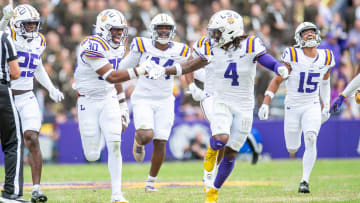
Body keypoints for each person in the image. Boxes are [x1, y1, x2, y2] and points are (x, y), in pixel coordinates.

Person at [150, 10, 289, 203]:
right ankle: (208, 168)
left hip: (244, 105)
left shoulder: (250, 44)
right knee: (220, 138)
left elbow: (264, 58)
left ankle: (214, 191)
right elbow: (190, 65)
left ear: (231, 32)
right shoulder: (210, 46)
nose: (212, 36)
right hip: (219, 99)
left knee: (231, 153)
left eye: (217, 32)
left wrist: (277, 67)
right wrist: (166, 70)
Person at [72, 9, 155, 203]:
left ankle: (116, 195)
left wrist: (122, 106)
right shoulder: (91, 45)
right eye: (115, 30)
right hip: (87, 100)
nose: (119, 34)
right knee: (92, 155)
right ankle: (101, 133)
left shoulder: (117, 46)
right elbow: (111, 75)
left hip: (108, 98)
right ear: (102, 29)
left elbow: (115, 79)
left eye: (121, 30)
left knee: (115, 144)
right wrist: (140, 70)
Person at [258, 22, 335, 193]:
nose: (309, 35)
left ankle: (304, 181)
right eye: (305, 33)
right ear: (298, 38)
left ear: (317, 35)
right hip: (292, 106)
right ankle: (297, 144)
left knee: (311, 138)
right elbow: (278, 79)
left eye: (312, 32)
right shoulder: (292, 54)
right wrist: (266, 101)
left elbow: (325, 81)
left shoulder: (326, 56)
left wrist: (326, 103)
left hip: (312, 104)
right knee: (292, 147)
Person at [117, 13, 190, 192]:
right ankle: (138, 141)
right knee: (146, 135)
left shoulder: (180, 50)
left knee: (161, 141)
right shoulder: (142, 45)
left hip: (165, 100)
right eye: (160, 28)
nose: (164, 31)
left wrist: (200, 84)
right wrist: (141, 70)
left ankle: (150, 182)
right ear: (153, 30)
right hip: (143, 97)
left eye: (167, 29)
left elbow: (191, 68)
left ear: (173, 31)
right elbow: (123, 68)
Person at [0, 4, 65, 202]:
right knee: (13, 143)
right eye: (27, 24)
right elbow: (0, 35)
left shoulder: (40, 40)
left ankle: (36, 188)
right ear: (16, 24)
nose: (31, 28)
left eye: (33, 24)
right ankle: (12, 188)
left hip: (27, 95)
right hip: (7, 95)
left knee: (31, 138)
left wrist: (51, 88)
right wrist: (4, 20)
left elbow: (36, 66)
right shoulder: (8, 34)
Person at [185, 39, 262, 193]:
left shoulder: (240, 48)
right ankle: (208, 173)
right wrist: (192, 86)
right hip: (211, 97)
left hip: (231, 99)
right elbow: (188, 66)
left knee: (226, 140)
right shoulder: (204, 45)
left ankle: (213, 173)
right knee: (221, 134)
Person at [0, 22, 27, 202]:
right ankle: (11, 192)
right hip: (1, 90)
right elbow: (15, 72)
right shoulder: (3, 36)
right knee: (13, 142)